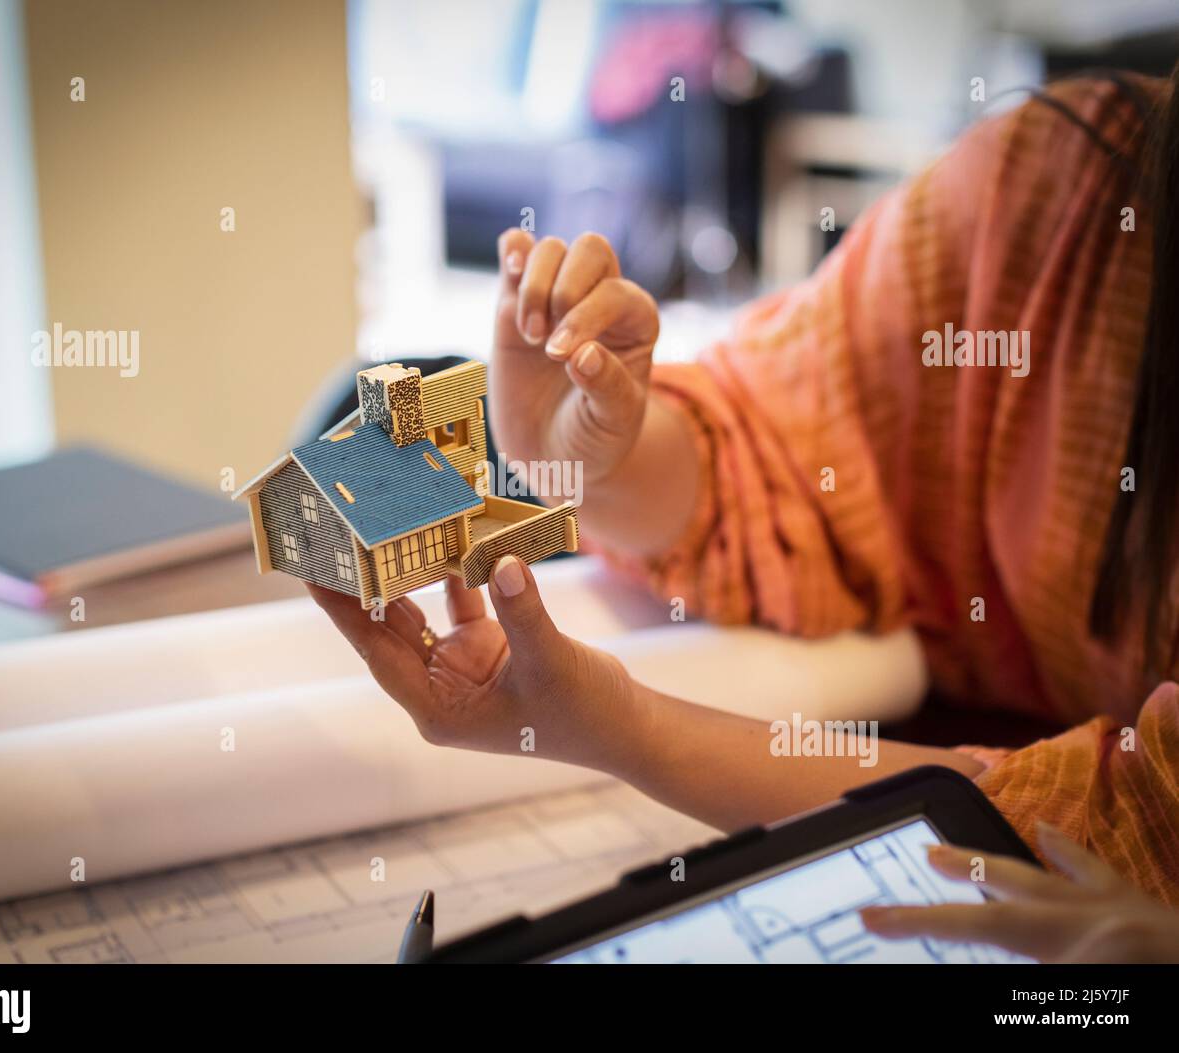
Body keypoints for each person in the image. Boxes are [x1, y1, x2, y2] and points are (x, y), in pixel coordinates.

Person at [311, 68, 1179, 962]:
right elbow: (790, 446)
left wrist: (619, 723)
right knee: (366, 389)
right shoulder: (1061, 180)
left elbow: (1116, 834)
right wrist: (592, 452)